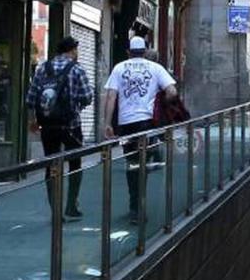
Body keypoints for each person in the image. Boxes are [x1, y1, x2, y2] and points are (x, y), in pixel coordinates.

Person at [103, 36, 178, 222]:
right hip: (146, 122)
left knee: (132, 163)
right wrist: (160, 102)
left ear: (128, 51)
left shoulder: (119, 68)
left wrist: (107, 123)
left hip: (126, 124)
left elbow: (111, 96)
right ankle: (139, 205)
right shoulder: (155, 68)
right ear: (145, 51)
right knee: (142, 163)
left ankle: (135, 207)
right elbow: (172, 92)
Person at [26, 36, 93, 219]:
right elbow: (87, 96)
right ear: (72, 50)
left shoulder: (42, 68)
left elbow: (31, 98)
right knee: (75, 163)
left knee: (52, 165)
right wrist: (76, 104)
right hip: (71, 124)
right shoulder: (77, 69)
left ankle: (55, 210)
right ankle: (71, 205)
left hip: (48, 125)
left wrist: (34, 119)